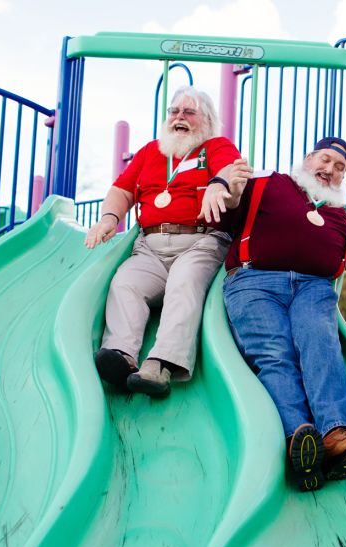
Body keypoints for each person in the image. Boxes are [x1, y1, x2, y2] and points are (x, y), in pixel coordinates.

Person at [204, 137, 346, 492]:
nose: (330, 170)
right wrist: (224, 184)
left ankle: (334, 434)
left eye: (339, 168)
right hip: (254, 280)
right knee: (274, 354)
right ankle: (297, 437)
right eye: (326, 160)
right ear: (308, 158)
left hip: (315, 286)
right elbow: (227, 212)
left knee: (321, 345)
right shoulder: (267, 183)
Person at [85, 86, 245, 398]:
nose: (179, 117)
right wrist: (108, 219)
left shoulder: (214, 146)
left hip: (200, 240)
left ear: (207, 121)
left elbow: (231, 170)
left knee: (184, 282)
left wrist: (219, 184)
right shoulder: (150, 152)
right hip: (151, 245)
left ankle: (161, 364)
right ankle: (121, 355)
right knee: (125, 283)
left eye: (189, 112)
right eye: (174, 111)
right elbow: (122, 191)